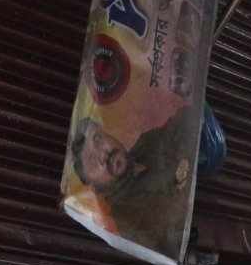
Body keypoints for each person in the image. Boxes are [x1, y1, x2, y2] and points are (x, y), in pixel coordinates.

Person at [70, 107, 198, 253]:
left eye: (97, 139)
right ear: (92, 186)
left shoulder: (146, 145)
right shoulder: (128, 218)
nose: (102, 154)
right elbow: (182, 219)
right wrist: (188, 159)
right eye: (92, 161)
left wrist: (186, 156)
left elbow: (187, 117)